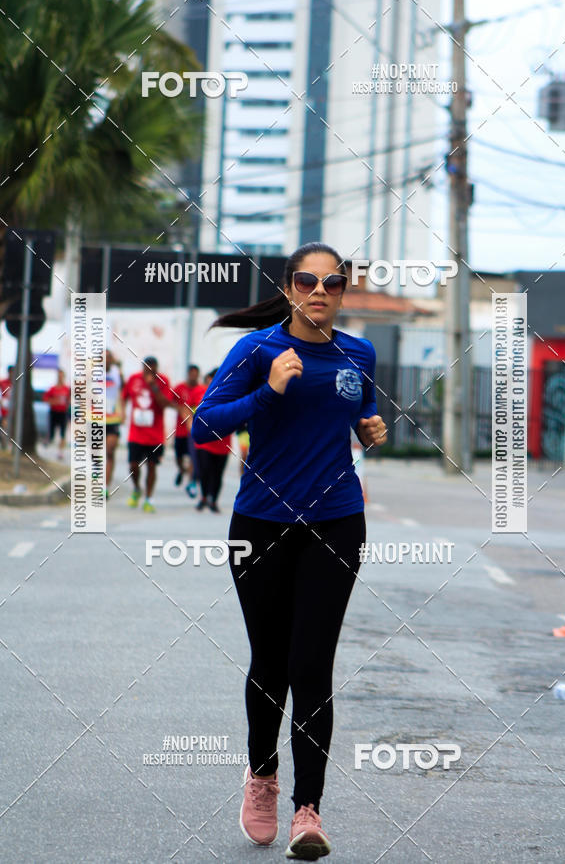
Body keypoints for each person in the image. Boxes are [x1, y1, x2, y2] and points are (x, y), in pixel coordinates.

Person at [191, 242, 387, 860]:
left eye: (332, 282)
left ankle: (309, 809)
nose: (320, 291)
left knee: (312, 665)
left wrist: (371, 427)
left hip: (336, 522)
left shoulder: (359, 353)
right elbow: (203, 425)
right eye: (308, 280)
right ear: (290, 286)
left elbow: (360, 411)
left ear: (343, 289)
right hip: (261, 523)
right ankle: (262, 777)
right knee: (270, 663)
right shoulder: (256, 351)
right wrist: (268, 394)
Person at [122, 356, 175, 513]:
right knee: (133, 465)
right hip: (136, 433)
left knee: (152, 467)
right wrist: (122, 412)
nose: (150, 372)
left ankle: (149, 498)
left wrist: (154, 386)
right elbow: (124, 396)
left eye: (153, 369)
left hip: (155, 434)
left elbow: (165, 404)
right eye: (147, 369)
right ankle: (137, 488)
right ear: (143, 367)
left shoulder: (163, 381)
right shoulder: (134, 379)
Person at [191, 368, 232, 513]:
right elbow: (191, 409)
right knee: (204, 471)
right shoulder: (200, 392)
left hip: (222, 442)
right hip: (204, 441)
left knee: (217, 473)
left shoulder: (231, 394)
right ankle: (203, 497)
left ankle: (214, 500)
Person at [172, 364, 202, 495]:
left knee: (192, 457)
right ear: (188, 374)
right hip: (180, 429)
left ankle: (191, 482)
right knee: (178, 456)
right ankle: (181, 470)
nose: (193, 376)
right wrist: (180, 409)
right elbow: (170, 401)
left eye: (196, 374)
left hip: (193, 431)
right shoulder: (180, 388)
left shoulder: (201, 390)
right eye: (192, 373)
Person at [105, 350, 124, 498]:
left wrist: (123, 412)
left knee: (109, 451)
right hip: (95, 419)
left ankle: (105, 486)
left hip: (113, 418)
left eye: (108, 357)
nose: (106, 360)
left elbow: (122, 394)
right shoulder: (92, 373)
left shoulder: (117, 374)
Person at [43, 368, 70, 459]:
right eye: (59, 376)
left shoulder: (67, 389)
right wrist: (54, 401)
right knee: (51, 433)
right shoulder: (52, 389)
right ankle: (47, 440)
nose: (60, 378)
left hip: (63, 413)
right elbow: (45, 399)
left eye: (61, 376)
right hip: (54, 412)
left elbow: (69, 400)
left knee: (63, 433)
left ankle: (60, 452)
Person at [0, 365, 14, 448]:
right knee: (4, 428)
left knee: (9, 429)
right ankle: (4, 445)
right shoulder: (2, 382)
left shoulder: (17, 382)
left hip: (12, 411)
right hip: (3, 410)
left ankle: (6, 444)